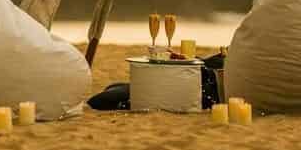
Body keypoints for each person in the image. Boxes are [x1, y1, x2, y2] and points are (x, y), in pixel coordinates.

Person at [86, 50, 225, 111]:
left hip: (194, 88)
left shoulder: (228, 71)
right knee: (113, 86)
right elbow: (212, 62)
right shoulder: (232, 56)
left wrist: (196, 63)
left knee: (100, 100)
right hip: (190, 79)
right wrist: (190, 59)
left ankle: (125, 104)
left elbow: (212, 69)